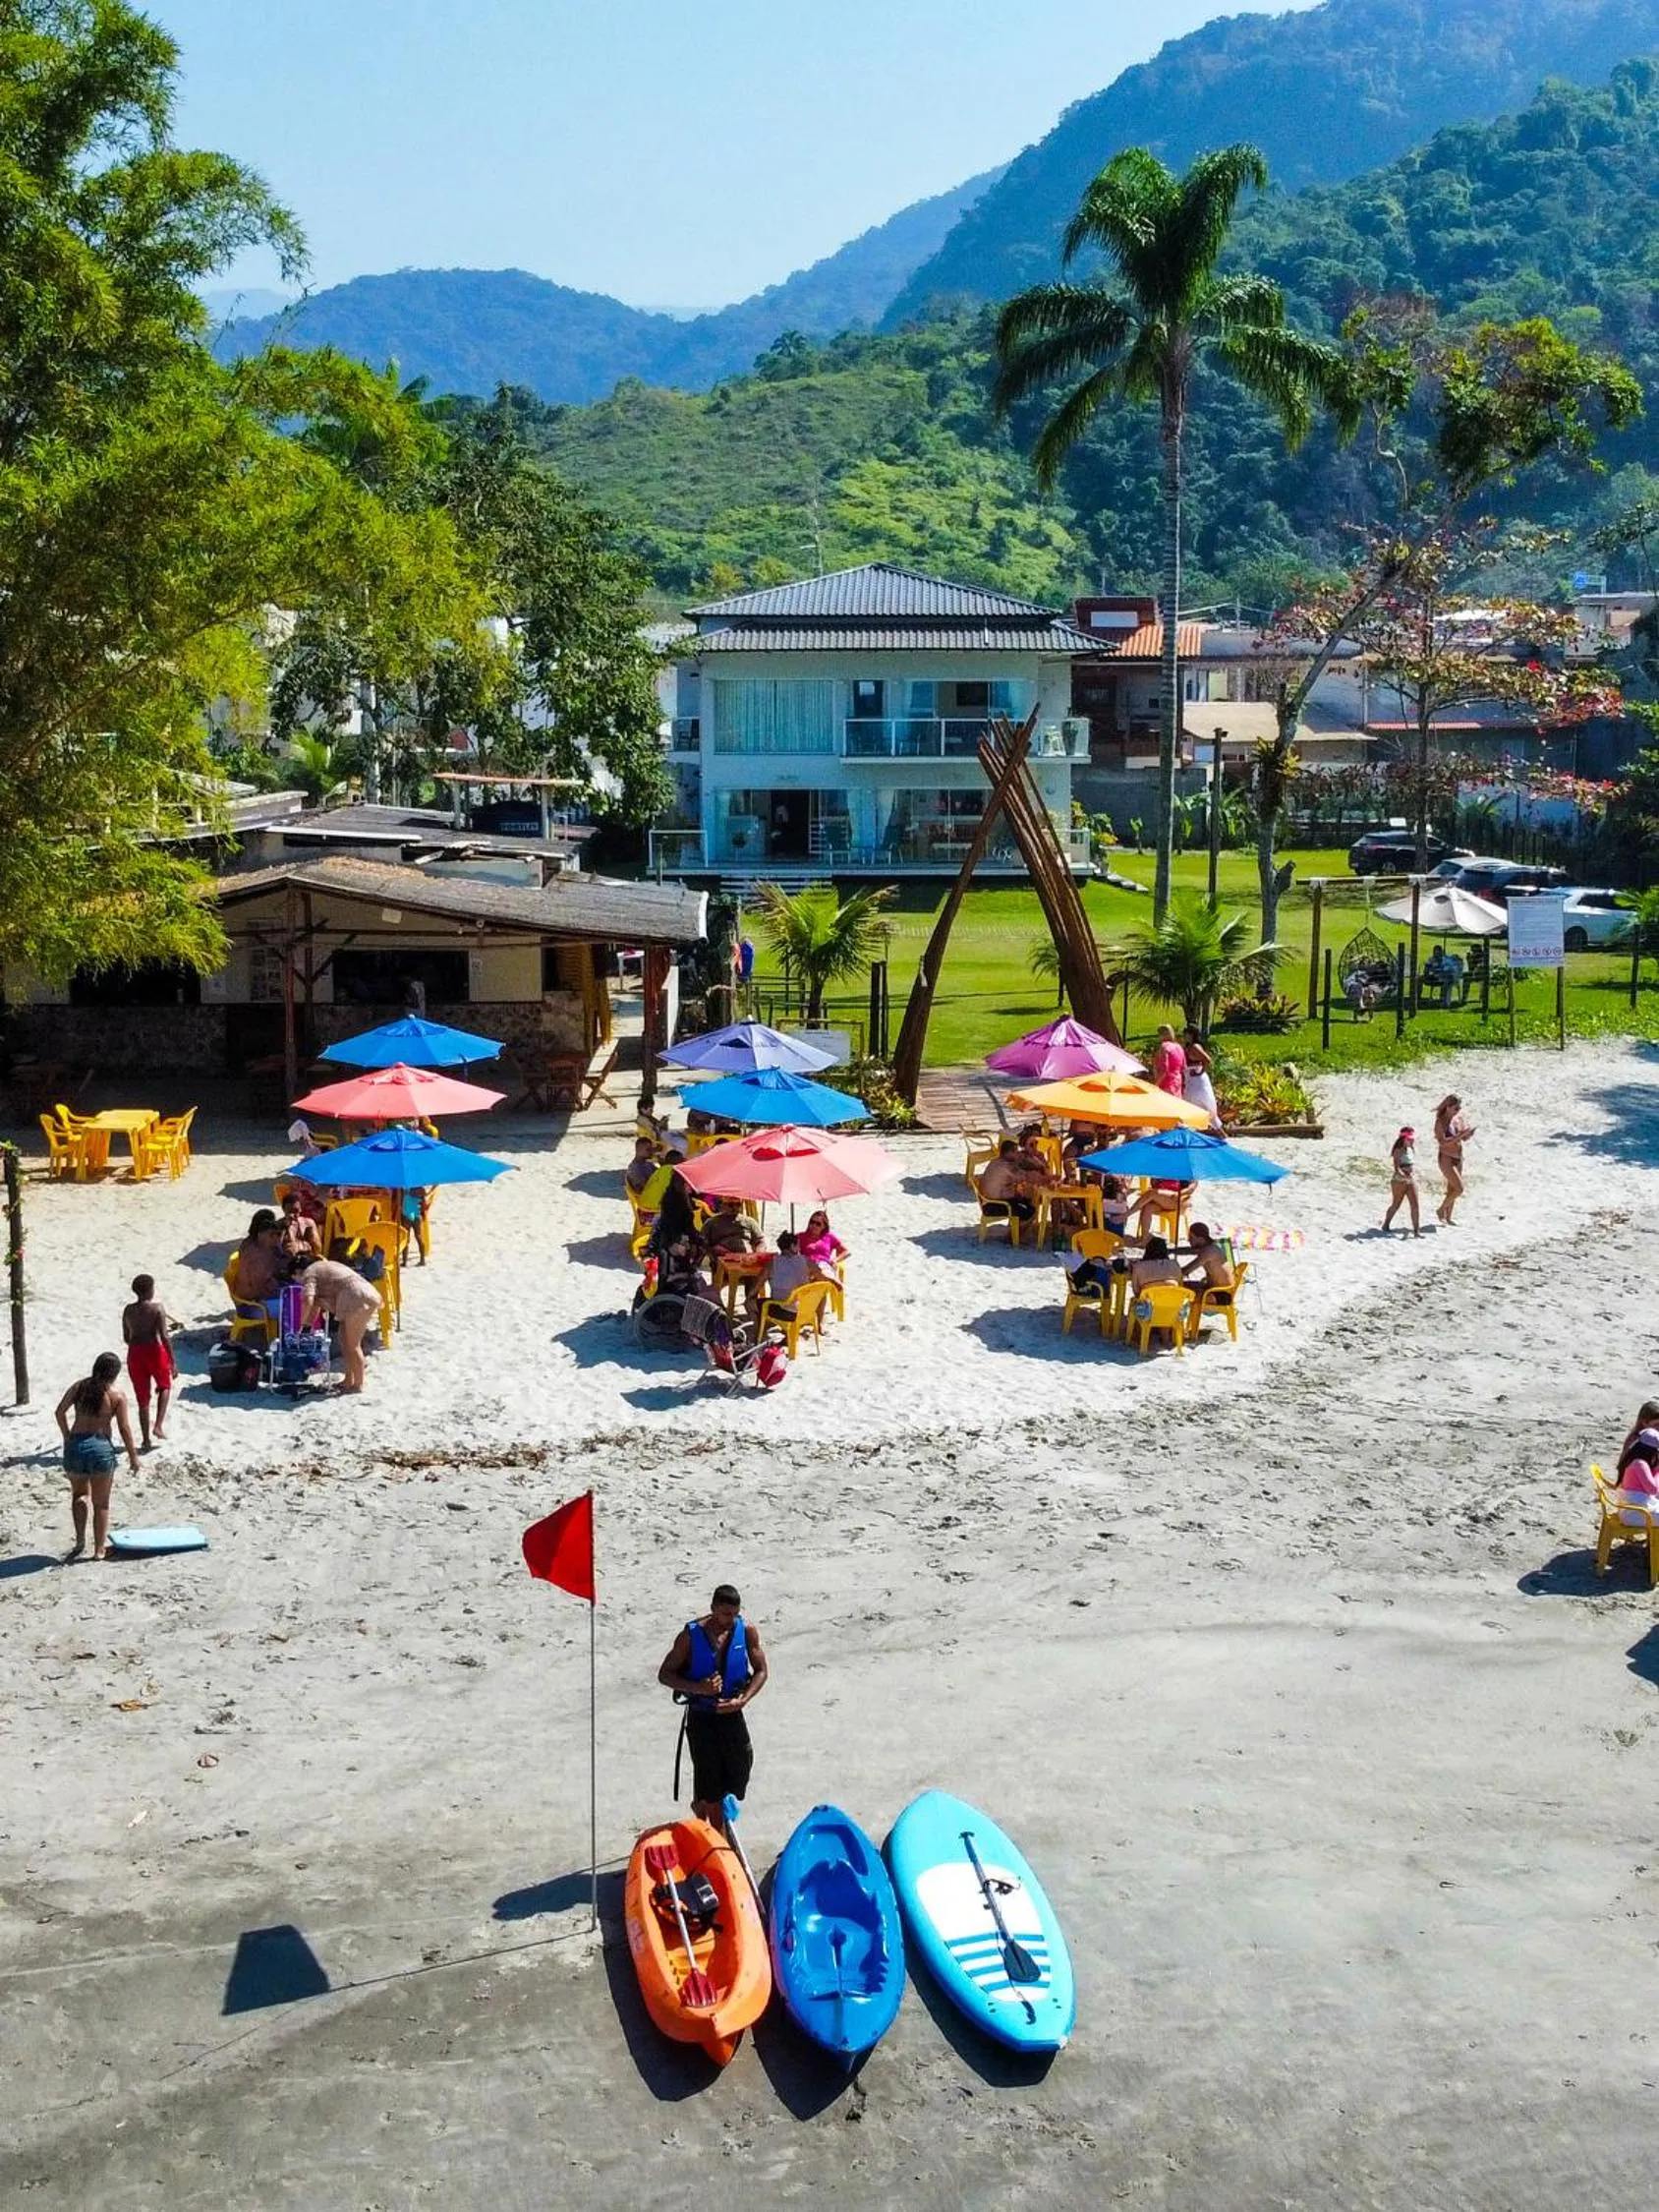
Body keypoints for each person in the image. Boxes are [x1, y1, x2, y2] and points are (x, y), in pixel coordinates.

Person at [658, 1584, 769, 1827]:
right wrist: (700, 1688)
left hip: (732, 1711)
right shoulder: (690, 1635)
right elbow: (665, 1674)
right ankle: (717, 1834)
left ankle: (702, 1802)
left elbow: (761, 1671)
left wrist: (743, 1699)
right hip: (702, 1716)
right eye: (725, 1614)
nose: (730, 1620)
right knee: (711, 1783)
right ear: (713, 1609)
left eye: (735, 1614)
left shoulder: (747, 1630)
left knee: (742, 1765)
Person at [54, 1353, 139, 1559]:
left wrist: (67, 1436)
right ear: (115, 1374)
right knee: (101, 1503)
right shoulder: (116, 1395)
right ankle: (99, 1550)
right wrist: (133, 1456)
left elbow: (59, 1412)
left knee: (79, 1495)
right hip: (100, 1448)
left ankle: (80, 1540)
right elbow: (124, 1428)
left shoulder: (79, 1387)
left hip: (76, 1446)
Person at [295, 1256, 383, 1394]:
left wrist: (300, 1323)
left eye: (294, 1278)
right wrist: (306, 1326)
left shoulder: (309, 1273)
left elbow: (308, 1300)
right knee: (343, 1340)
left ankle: (358, 1384)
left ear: (297, 1272)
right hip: (360, 1294)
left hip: (356, 1298)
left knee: (353, 1345)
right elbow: (315, 1305)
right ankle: (349, 1379)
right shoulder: (321, 1267)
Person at [121, 1274, 176, 1451]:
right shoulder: (158, 1308)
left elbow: (126, 1337)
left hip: (135, 1353)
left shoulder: (128, 1310)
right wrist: (173, 1361)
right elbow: (164, 1336)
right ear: (150, 1290)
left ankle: (145, 1440)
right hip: (154, 1350)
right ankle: (158, 1425)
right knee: (165, 1386)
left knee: (142, 1400)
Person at [978, 1137, 1041, 1223]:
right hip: (994, 1205)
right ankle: (1015, 1234)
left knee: (1027, 1200)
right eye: (1016, 1152)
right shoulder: (1006, 1167)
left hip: (989, 1200)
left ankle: (1017, 1227)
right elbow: (1025, 1177)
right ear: (1009, 1153)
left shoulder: (996, 1161)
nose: (1018, 1154)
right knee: (1030, 1212)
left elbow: (1020, 1169)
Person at [1434, 1095, 1475, 1225]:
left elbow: (1463, 1139)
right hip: (1446, 1157)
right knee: (1459, 1188)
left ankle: (1448, 1217)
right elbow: (1442, 1142)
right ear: (1448, 1107)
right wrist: (1460, 1135)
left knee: (1452, 1189)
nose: (1458, 1110)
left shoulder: (1458, 1119)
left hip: (1458, 1156)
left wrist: (1468, 1135)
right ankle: (1441, 1210)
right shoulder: (1440, 1122)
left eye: (1460, 1108)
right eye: (1456, 1108)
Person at [1382, 1126, 1421, 1236]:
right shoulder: (1399, 1150)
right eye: (1409, 1138)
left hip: (1409, 1178)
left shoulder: (1410, 1149)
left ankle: (1416, 1231)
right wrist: (1403, 1175)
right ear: (1404, 1138)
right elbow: (1396, 1167)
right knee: (1396, 1204)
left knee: (1415, 1204)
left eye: (1412, 1138)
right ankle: (1386, 1224)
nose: (1412, 1140)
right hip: (1399, 1180)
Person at [1182, 1222, 1235, 1295]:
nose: (1189, 1240)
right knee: (1184, 1285)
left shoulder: (1209, 1252)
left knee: (1179, 1289)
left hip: (1220, 1293)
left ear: (1201, 1239)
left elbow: (1187, 1270)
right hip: (1217, 1288)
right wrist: (1171, 1251)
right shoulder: (1211, 1247)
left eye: (1191, 1237)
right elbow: (1189, 1251)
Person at [764, 1231, 814, 1309]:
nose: (800, 1248)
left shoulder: (773, 1263)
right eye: (798, 1245)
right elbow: (821, 1276)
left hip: (782, 1309)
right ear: (792, 1246)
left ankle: (761, 1321)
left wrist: (750, 1298)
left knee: (753, 1304)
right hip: (803, 1309)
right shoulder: (805, 1260)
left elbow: (757, 1286)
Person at [278, 1191, 324, 1272]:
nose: (294, 1215)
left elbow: (317, 1249)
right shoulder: (278, 1226)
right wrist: (286, 1228)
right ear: (284, 1210)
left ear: (300, 1209)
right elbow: (276, 1250)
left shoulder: (308, 1223)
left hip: (307, 1260)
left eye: (296, 1211)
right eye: (290, 1211)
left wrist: (304, 1243)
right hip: (288, 1264)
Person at [1182, 1027, 1220, 1125]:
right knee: (1191, 1102)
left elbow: (1207, 1059)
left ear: (1193, 1035)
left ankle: (1216, 1127)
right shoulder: (1187, 1046)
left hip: (1197, 1079)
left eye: (1187, 1034)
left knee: (1203, 1102)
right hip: (1190, 1078)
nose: (1185, 1036)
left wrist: (1201, 1071)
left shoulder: (1195, 1046)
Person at [799, 1208, 848, 1281]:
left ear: (824, 1226)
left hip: (824, 1266)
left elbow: (846, 1252)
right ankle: (831, 1282)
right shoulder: (800, 1236)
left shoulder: (829, 1237)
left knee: (822, 1269)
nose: (814, 1226)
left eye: (818, 1224)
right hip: (807, 1268)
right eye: (812, 1222)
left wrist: (835, 1260)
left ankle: (827, 1280)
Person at [1616, 1427, 1659, 1499]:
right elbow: (1653, 1490)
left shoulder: (1632, 1460)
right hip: (1638, 1505)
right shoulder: (1640, 1464)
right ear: (1651, 1453)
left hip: (1631, 1500)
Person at [1151, 1024, 1186, 1097]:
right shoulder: (1179, 1047)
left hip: (1167, 1084)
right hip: (1177, 1083)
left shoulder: (1164, 1046)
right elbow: (1184, 1067)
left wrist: (1155, 1084)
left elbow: (1164, 1069)